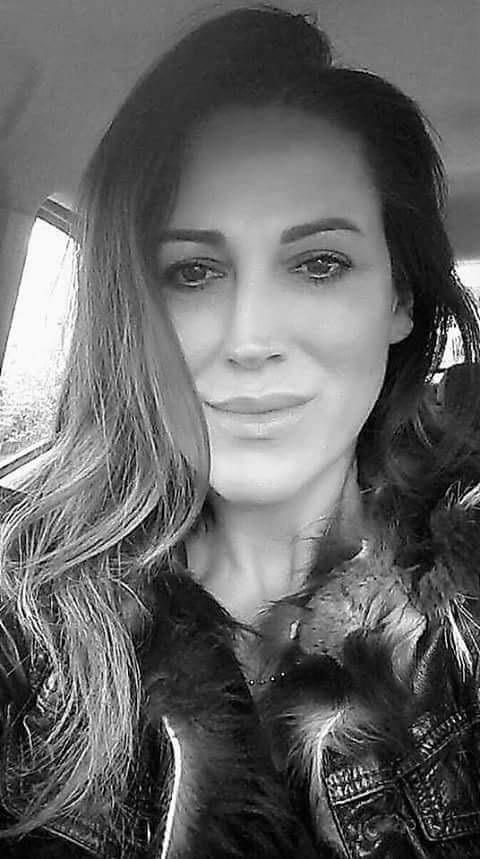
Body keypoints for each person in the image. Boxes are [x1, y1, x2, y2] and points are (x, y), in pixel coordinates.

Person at [1, 5, 480, 857]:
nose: (249, 338)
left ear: (400, 299)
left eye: (319, 262)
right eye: (193, 271)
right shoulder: (29, 613)